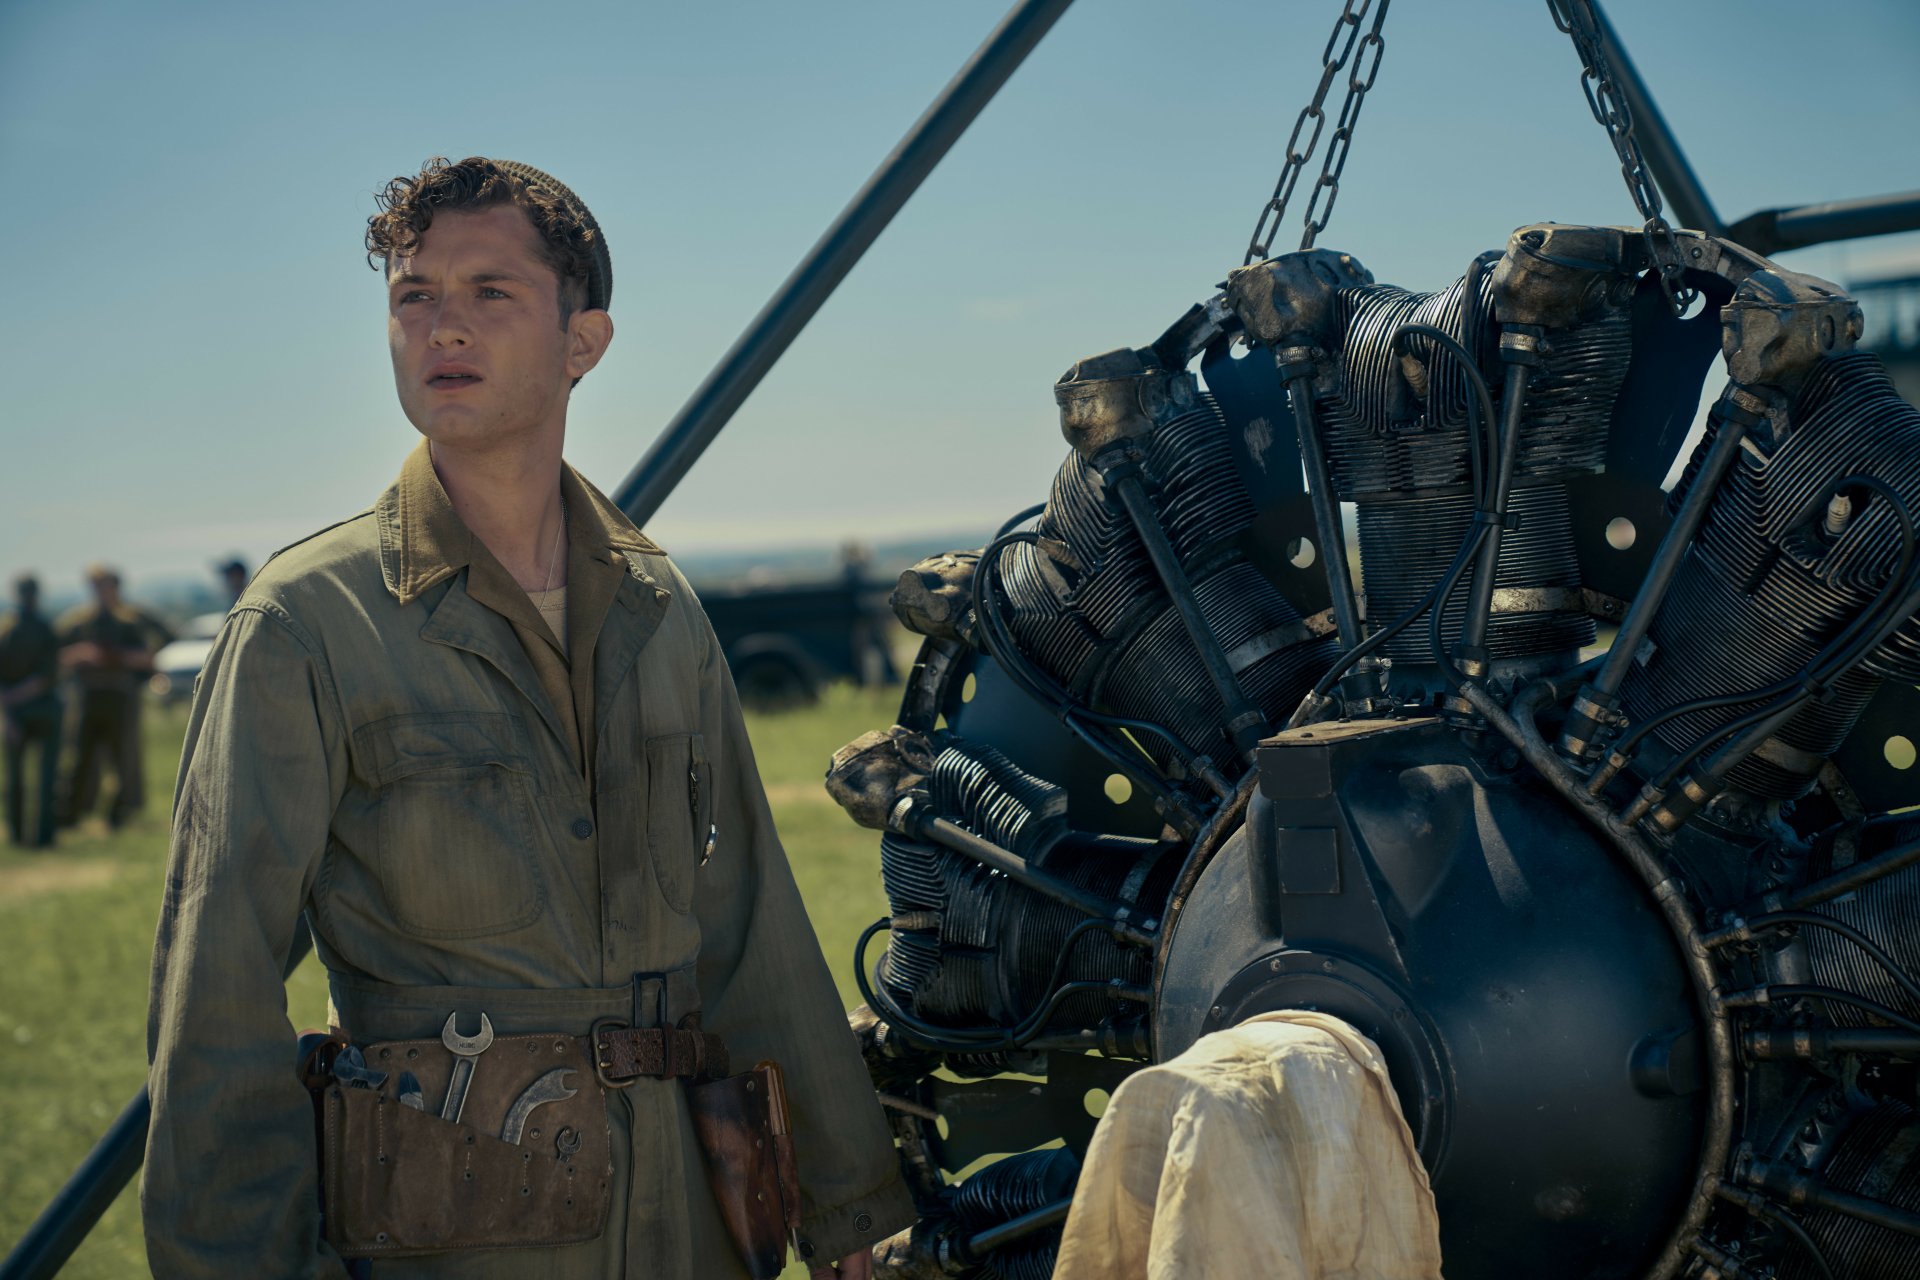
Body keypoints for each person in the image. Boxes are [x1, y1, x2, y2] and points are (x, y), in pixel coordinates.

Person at [142, 157, 911, 1280]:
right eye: (414, 297)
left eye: (488, 292)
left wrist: (849, 1207)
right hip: (451, 1235)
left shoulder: (660, 608)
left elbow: (748, 923)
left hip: (689, 1231)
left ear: (583, 341)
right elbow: (213, 992)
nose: (441, 325)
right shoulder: (308, 622)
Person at [57, 564, 170, 828]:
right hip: (89, 695)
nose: (101, 591)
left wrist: (117, 657)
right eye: (96, 586)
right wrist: (80, 654)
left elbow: (150, 654)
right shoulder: (79, 621)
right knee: (80, 756)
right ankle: (72, 812)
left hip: (121, 694)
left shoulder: (131, 620)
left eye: (105, 585)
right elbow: (57, 655)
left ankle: (121, 813)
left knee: (125, 757)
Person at [0, 573, 63, 848]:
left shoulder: (5, 630)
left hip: (17, 712)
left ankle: (18, 835)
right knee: (45, 776)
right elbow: (48, 676)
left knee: (17, 779)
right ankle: (42, 836)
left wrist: (8, 704)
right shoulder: (46, 628)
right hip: (43, 710)